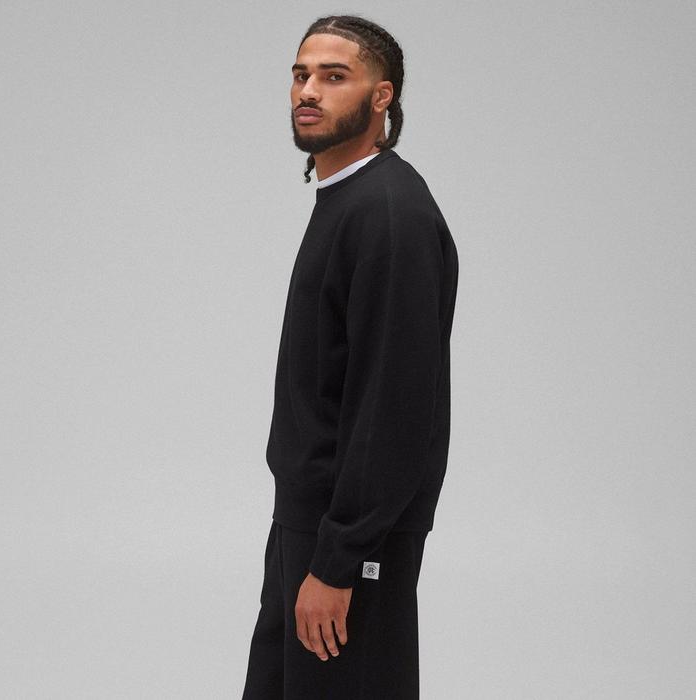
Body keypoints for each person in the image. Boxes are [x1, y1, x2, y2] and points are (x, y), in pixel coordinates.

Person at [241, 14, 459, 700]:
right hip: (310, 523)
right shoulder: (348, 200)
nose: (309, 90)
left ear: (381, 96)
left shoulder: (390, 215)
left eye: (335, 77)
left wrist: (339, 562)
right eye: (301, 75)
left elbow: (393, 406)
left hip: (351, 541)